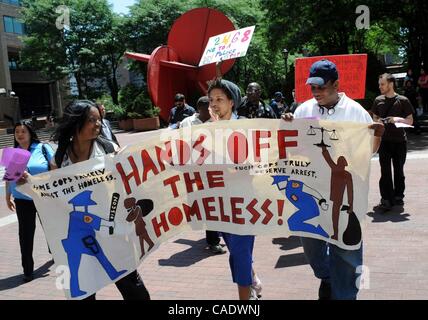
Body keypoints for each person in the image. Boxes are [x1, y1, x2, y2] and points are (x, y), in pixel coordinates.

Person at [282, 59, 384, 300]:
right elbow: (292, 148)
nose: (316, 92)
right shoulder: (303, 110)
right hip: (311, 191)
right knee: (311, 247)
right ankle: (328, 276)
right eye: (312, 87)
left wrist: (377, 137)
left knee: (346, 250)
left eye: (321, 87)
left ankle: (345, 293)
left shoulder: (355, 112)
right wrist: (286, 127)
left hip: (347, 196)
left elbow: (367, 152)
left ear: (336, 84)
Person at [49, 100, 150, 300]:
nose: (97, 124)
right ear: (75, 123)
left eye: (99, 119)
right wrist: (28, 183)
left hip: (112, 229)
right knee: (84, 288)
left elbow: (125, 183)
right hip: (79, 234)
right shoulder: (59, 159)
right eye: (91, 120)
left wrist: (125, 164)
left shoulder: (108, 148)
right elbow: (51, 193)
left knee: (132, 287)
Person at [207, 77, 262, 299]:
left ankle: (245, 298)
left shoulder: (244, 127)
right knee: (236, 251)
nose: (214, 104)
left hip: (244, 203)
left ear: (232, 102)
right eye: (211, 100)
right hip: (220, 203)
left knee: (239, 252)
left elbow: (249, 165)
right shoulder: (204, 131)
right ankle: (252, 275)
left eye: (219, 99)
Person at [5, 120, 54, 282]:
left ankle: (55, 251)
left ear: (30, 133)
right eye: (17, 131)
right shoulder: (13, 152)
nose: (19, 134)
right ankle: (27, 269)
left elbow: (55, 170)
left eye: (23, 131)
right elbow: (9, 177)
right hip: (22, 200)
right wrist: (7, 195)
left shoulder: (42, 148)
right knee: (25, 234)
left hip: (44, 197)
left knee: (51, 228)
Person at [180, 96, 226, 255]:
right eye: (210, 108)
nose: (213, 110)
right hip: (195, 171)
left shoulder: (217, 121)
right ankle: (213, 238)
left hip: (214, 169)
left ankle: (214, 238)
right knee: (204, 205)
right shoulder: (187, 123)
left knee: (214, 203)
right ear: (200, 109)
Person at [372, 74, 414, 211]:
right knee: (385, 172)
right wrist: (378, 122)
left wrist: (396, 119)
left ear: (390, 84)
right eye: (379, 84)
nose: (380, 87)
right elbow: (375, 119)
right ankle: (386, 199)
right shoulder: (378, 100)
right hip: (384, 141)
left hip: (400, 141)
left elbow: (410, 121)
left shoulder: (403, 100)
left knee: (398, 170)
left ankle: (398, 196)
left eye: (382, 84)